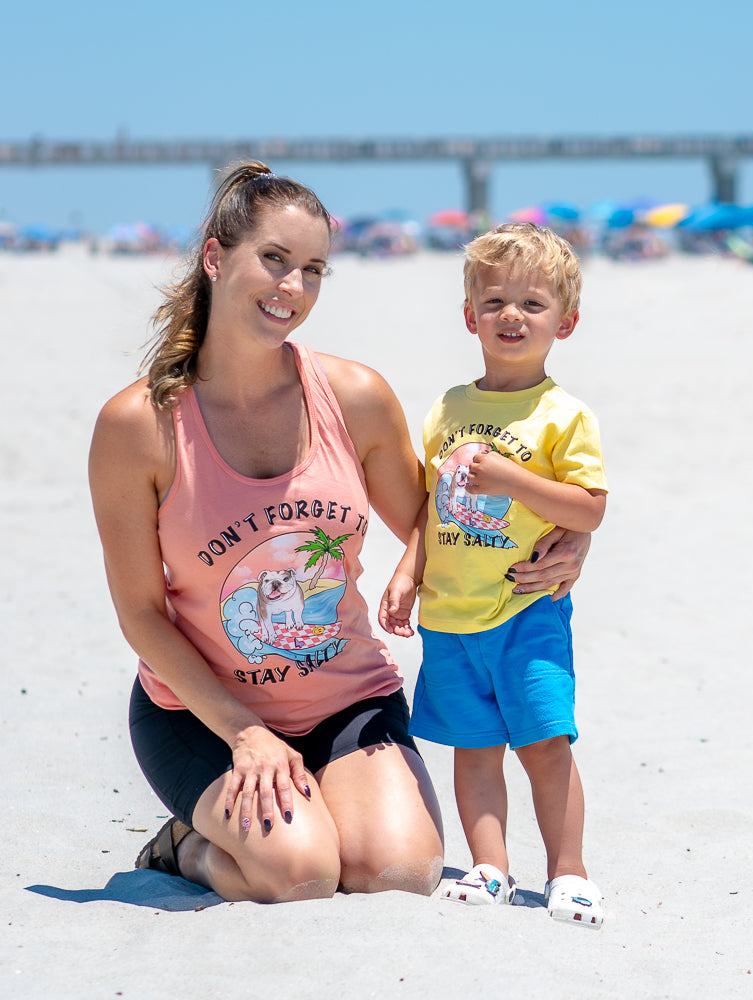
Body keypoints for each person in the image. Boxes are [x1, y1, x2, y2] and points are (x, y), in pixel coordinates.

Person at [89, 162, 591, 904]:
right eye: (275, 260)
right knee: (301, 875)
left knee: (397, 874)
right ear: (216, 257)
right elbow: (140, 614)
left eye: (314, 269)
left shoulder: (354, 397)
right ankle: (188, 849)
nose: (293, 287)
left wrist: (569, 540)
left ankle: (317, 803)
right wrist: (243, 733)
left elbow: (442, 517)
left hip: (346, 700)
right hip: (201, 716)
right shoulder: (138, 426)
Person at [379, 223, 607, 926]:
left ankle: (569, 871)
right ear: (470, 315)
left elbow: (589, 508)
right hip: (450, 616)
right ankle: (490, 867)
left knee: (544, 743)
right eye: (497, 300)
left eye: (534, 305)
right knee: (474, 751)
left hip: (525, 610)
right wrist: (408, 568)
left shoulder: (562, 415)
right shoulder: (448, 408)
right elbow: (429, 503)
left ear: (565, 323)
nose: (513, 316)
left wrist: (513, 479)